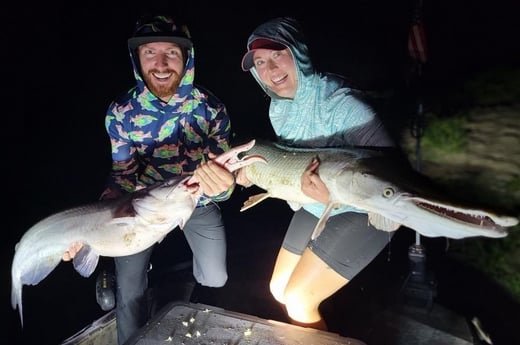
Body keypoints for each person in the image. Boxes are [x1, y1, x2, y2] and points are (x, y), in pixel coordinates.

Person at [62, 15, 235, 344]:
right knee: (129, 291)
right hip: (141, 205)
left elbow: (222, 180)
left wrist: (223, 187)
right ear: (137, 60)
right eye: (149, 53)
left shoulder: (212, 110)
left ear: (186, 58)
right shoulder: (121, 112)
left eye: (171, 52)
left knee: (216, 276)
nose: (160, 63)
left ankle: (184, 290)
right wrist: (95, 223)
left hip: (194, 199)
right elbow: (123, 173)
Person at [236, 17, 396, 331]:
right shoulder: (278, 109)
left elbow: (393, 175)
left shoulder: (345, 105)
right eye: (260, 62)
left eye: (278, 54)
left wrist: (334, 196)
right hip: (316, 204)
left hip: (368, 211)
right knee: (278, 290)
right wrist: (250, 173)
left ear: (299, 53)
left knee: (297, 300)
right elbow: (290, 164)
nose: (271, 68)